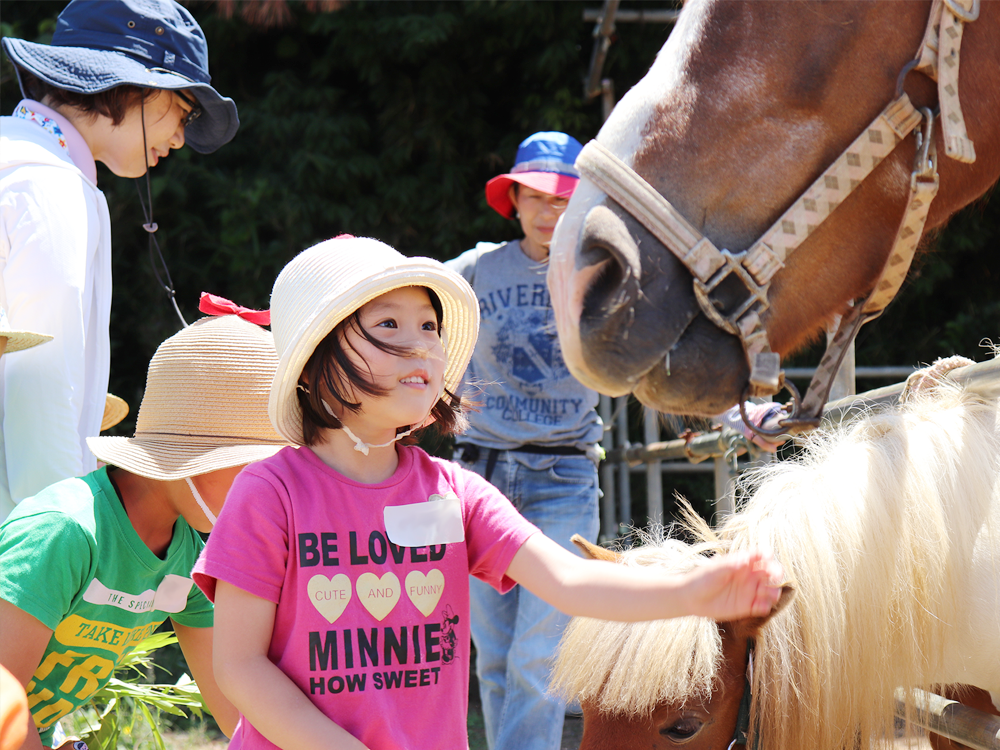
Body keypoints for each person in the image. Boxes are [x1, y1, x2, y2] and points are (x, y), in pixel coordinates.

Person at [193, 236, 785, 750]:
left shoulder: (456, 493)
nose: (422, 343)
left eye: (429, 325)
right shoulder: (269, 494)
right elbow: (240, 667)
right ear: (314, 358)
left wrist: (696, 592)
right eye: (388, 325)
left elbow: (571, 583)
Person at [0, 309, 287, 750]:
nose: (267, 494)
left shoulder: (190, 556)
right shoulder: (65, 533)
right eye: (255, 469)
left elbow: (238, 710)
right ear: (190, 456)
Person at [0, 0, 239, 518]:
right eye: (184, 109)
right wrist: (62, 534)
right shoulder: (49, 182)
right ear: (138, 88)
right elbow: (36, 374)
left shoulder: (16, 157)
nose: (180, 136)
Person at [445, 131, 603, 749]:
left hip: (563, 479)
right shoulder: (476, 268)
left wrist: (734, 412)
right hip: (481, 476)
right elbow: (407, 306)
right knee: (494, 655)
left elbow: (653, 355)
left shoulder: (602, 273)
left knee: (538, 658)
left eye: (562, 200)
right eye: (534, 197)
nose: (547, 212)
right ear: (511, 199)